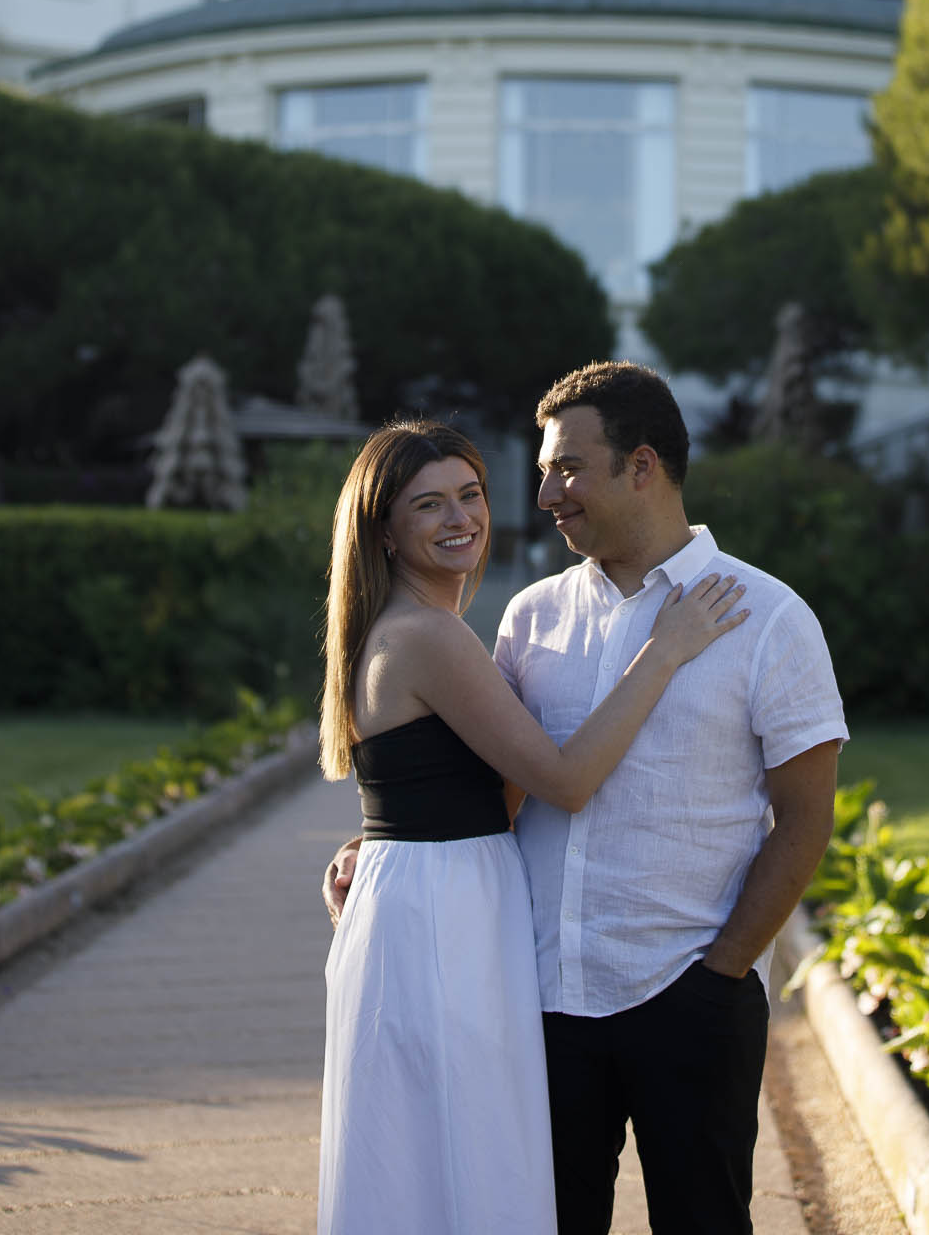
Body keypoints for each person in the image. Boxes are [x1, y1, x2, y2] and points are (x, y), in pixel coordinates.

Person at [328, 362, 846, 1235]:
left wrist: (721, 973)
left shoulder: (768, 615)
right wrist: (381, 845)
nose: (544, 495)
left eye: (566, 469)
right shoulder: (530, 617)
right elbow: (495, 782)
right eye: (542, 472)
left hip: (688, 990)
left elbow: (805, 818)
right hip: (540, 998)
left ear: (640, 466)